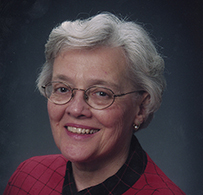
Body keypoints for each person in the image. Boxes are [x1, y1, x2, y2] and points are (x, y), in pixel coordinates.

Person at [4, 12, 185, 195]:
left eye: (101, 93)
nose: (76, 109)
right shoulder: (27, 179)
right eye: (63, 89)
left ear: (141, 108)